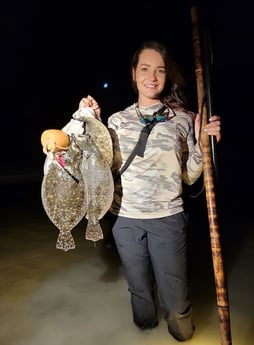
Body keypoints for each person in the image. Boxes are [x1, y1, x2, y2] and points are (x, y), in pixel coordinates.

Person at [42, 40, 221, 342]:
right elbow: (90, 166)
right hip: (125, 219)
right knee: (139, 290)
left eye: (160, 70)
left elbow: (190, 177)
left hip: (168, 218)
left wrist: (207, 142)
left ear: (167, 77)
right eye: (145, 69)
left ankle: (181, 334)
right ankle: (143, 333)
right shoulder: (115, 121)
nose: (152, 77)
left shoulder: (184, 119)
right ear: (134, 74)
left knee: (177, 304)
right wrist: (88, 120)